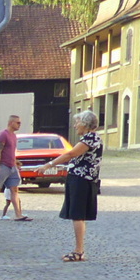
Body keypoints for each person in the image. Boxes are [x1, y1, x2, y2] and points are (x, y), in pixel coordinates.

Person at [38, 109, 101, 261]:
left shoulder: (90, 138)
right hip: (84, 179)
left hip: (81, 180)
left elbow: (70, 154)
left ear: (85, 124)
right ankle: (79, 250)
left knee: (77, 215)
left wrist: (49, 165)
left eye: (77, 123)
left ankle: (79, 251)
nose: (75, 126)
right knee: (78, 216)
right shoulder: (91, 138)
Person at [0, 114, 30, 221]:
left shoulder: (13, 136)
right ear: (11, 122)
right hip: (3, 166)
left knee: (14, 190)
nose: (19, 125)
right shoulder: (3, 135)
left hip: (12, 167)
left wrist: (15, 162)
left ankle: (18, 214)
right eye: (18, 122)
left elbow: (11, 152)